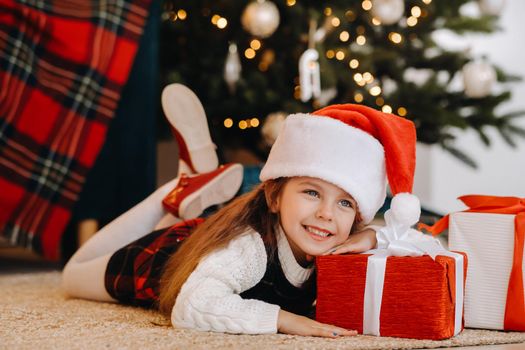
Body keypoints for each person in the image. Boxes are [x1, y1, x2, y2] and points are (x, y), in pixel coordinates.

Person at [63, 85, 421, 338]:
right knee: (72, 275)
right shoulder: (248, 247)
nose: (327, 214)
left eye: (345, 203)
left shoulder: (343, 240)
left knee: (190, 230)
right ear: (275, 196)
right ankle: (174, 191)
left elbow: (426, 248)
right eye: (312, 192)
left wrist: (377, 235)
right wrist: (283, 320)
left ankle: (188, 183)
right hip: (162, 259)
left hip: (204, 240)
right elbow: (191, 306)